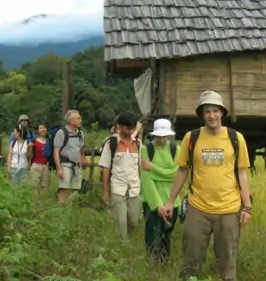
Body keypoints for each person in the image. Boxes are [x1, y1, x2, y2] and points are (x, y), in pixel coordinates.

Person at [158, 90, 253, 281]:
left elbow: (241, 173)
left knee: (227, 263)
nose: (212, 115)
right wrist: (169, 201)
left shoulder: (236, 138)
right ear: (202, 114)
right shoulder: (191, 138)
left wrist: (247, 207)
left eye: (215, 111)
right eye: (207, 111)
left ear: (222, 113)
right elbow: (182, 170)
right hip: (197, 208)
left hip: (229, 209)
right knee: (191, 261)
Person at [140, 118, 181, 264]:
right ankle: (151, 265)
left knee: (166, 235)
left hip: (172, 200)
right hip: (151, 201)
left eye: (165, 136)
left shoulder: (176, 150)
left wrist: (153, 168)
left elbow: (176, 174)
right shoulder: (146, 150)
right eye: (159, 136)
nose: (162, 140)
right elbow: (146, 179)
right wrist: (157, 205)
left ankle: (164, 264)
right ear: (154, 135)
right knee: (152, 235)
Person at [98, 113, 142, 239]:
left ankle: (130, 240)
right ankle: (121, 246)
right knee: (120, 222)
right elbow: (106, 168)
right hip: (117, 187)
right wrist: (105, 191)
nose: (130, 131)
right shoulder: (111, 143)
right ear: (119, 127)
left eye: (133, 128)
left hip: (134, 187)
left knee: (134, 220)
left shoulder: (138, 144)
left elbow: (140, 167)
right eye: (128, 128)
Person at [53, 110, 87, 205]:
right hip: (65, 166)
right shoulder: (61, 132)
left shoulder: (80, 133)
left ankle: (70, 213)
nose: (80, 120)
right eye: (78, 118)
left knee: (75, 192)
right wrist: (59, 168)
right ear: (71, 121)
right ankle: (59, 213)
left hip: (77, 166)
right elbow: (56, 152)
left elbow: (80, 148)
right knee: (64, 190)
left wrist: (83, 158)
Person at [29, 123, 51, 197]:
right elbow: (30, 155)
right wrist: (28, 148)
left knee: (45, 186)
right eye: (41, 128)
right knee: (34, 186)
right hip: (36, 165)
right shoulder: (34, 141)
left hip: (46, 166)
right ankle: (34, 204)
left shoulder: (49, 141)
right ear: (38, 130)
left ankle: (43, 204)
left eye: (44, 128)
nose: (43, 130)